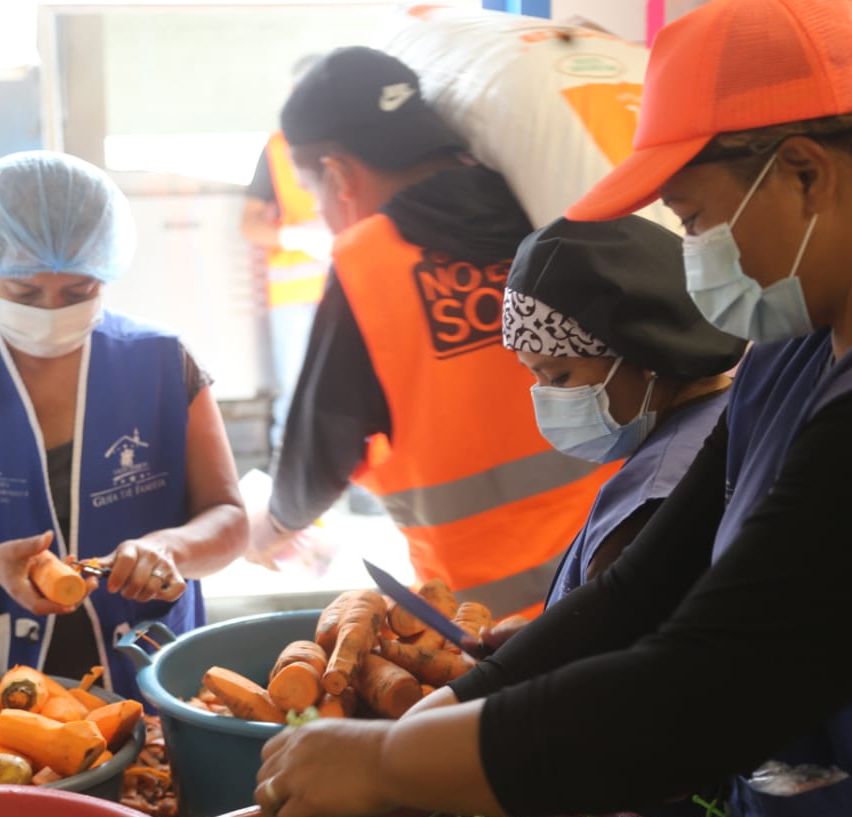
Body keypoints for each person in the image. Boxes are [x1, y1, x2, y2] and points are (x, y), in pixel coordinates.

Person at [250, 2, 852, 817]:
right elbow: (646, 586)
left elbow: (706, 684)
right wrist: (455, 702)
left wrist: (392, 761)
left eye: (691, 219)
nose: (690, 254)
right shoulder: (804, 337)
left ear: (804, 172)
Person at [243, 47, 617, 620]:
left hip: (489, 618)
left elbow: (325, 438)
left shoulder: (368, 265)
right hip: (622, 561)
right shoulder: (541, 204)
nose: (322, 212)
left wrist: (272, 526)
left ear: (339, 175)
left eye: (313, 193)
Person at [0, 151, 248, 704]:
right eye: (23, 292)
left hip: (152, 673)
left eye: (77, 292)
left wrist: (170, 548)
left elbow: (229, 519)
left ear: (106, 272)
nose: (51, 310)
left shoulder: (162, 362)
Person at [502, 215, 744, 606]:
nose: (543, 397)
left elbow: (607, 648)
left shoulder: (658, 500)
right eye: (534, 376)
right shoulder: (733, 408)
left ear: (644, 355)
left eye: (558, 377)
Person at [240, 54, 333, 453]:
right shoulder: (278, 148)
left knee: (352, 383)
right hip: (295, 293)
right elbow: (249, 225)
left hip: (349, 283)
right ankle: (289, 481)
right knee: (295, 392)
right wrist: (296, 236)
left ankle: (362, 484)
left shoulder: (364, 141)